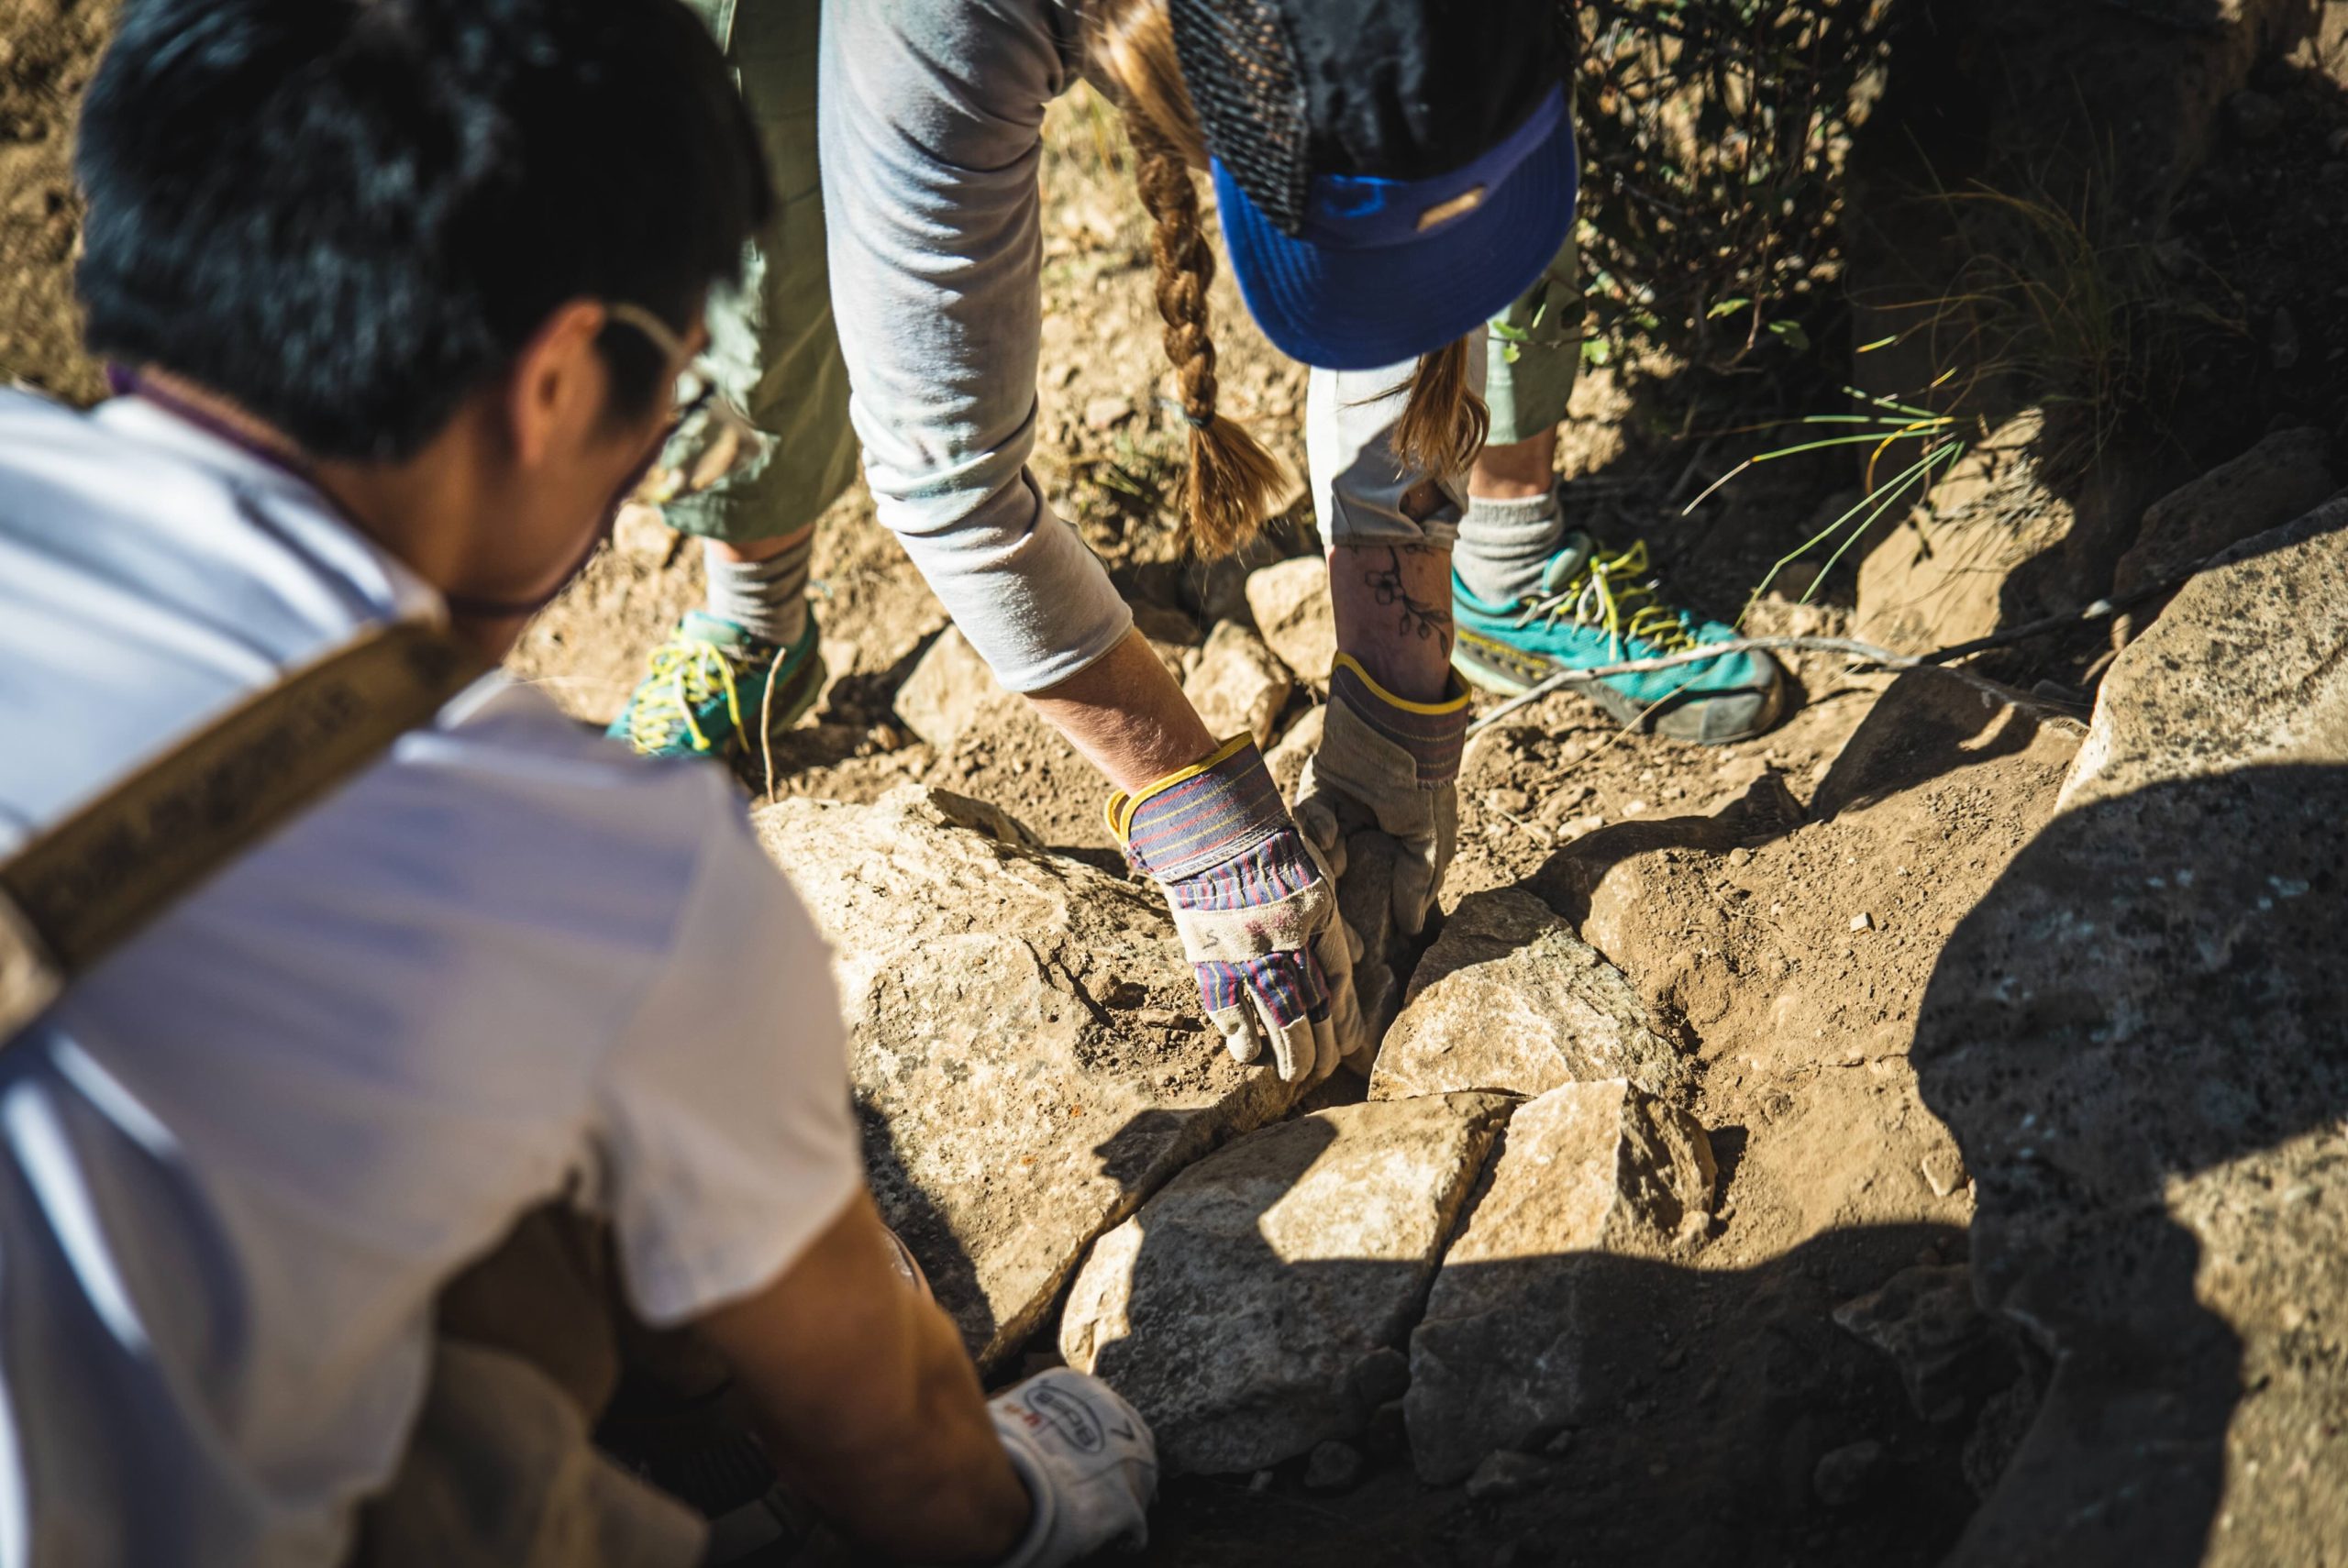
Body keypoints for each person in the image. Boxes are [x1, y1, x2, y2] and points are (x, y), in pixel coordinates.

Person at [0, 2, 1152, 1564]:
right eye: (671, 406)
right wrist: (1045, 1502)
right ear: (556, 383)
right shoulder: (604, 876)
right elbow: (899, 1461)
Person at [607, 0, 1788, 1087]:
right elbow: (943, 478)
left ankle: (1504, 577)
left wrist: (1399, 695)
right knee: (757, 190)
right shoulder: (945, 25)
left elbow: (1415, 261)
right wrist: (1196, 811)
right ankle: (754, 615)